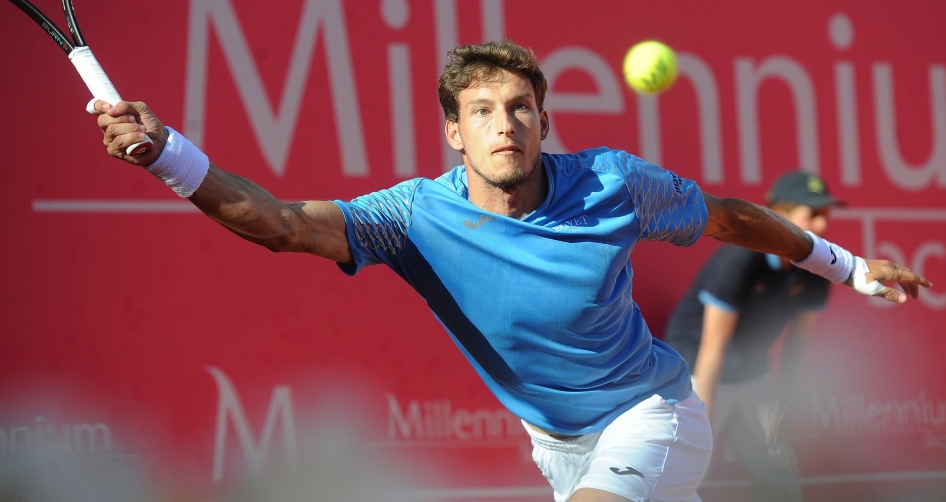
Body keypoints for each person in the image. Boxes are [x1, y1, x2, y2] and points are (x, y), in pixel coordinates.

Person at [93, 40, 929, 502]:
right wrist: (170, 154)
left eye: (522, 108)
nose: (507, 125)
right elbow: (277, 226)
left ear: (543, 121)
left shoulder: (612, 181)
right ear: (455, 133)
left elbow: (726, 218)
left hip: (654, 415)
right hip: (556, 447)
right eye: (484, 112)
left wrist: (848, 268)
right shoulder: (412, 216)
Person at [664, 170, 846, 501]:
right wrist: (700, 417)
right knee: (685, 471)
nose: (821, 226)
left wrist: (787, 399)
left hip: (751, 374)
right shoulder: (738, 259)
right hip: (696, 372)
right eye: (812, 215)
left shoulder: (819, 267)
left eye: (825, 216)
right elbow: (712, 347)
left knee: (777, 467)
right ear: (776, 215)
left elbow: (798, 343)